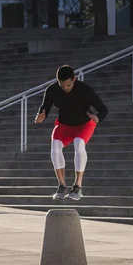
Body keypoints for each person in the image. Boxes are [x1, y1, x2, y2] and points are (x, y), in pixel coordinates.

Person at [34, 64, 108, 200]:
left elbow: (103, 109)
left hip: (84, 124)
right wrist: (40, 117)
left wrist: (98, 118)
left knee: (79, 144)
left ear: (74, 79)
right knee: (55, 147)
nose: (65, 88)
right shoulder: (52, 90)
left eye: (68, 85)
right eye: (62, 85)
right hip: (64, 125)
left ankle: (77, 186)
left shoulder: (84, 89)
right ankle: (62, 186)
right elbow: (44, 109)